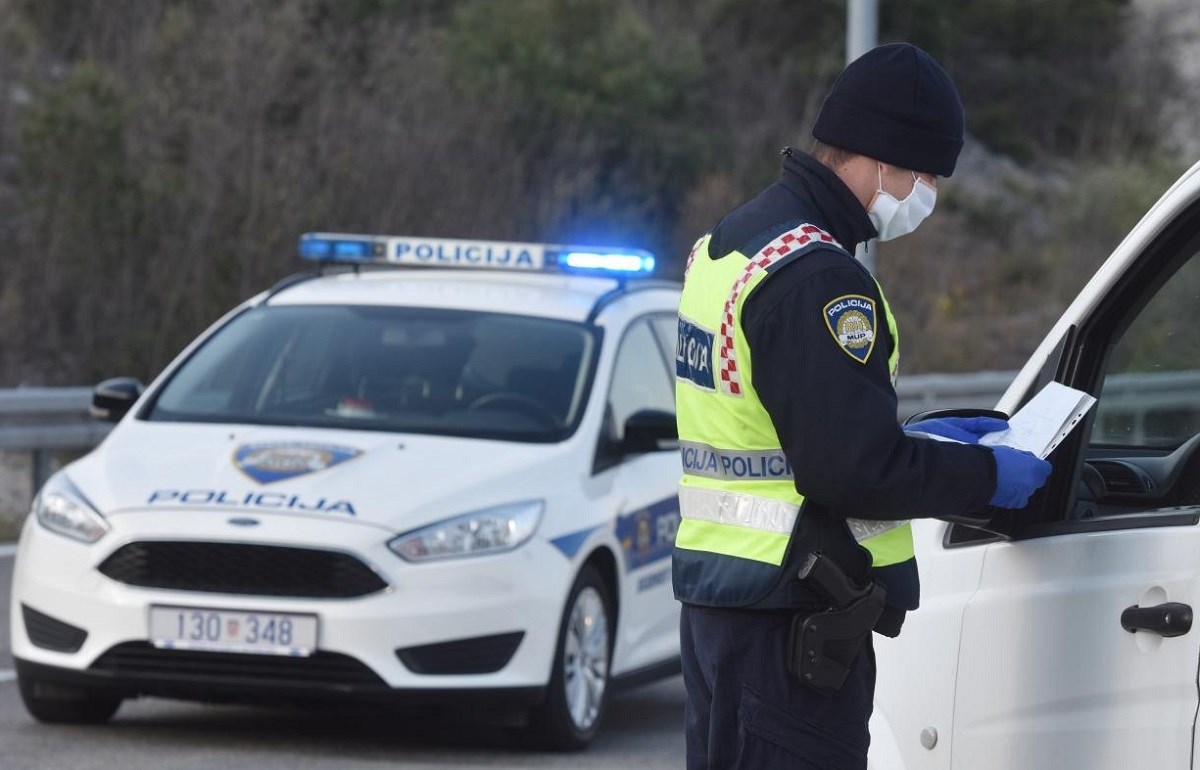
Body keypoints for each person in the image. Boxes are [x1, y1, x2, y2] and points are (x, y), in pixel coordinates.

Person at [672, 42, 1052, 769]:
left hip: (724, 608)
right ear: (883, 160)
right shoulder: (819, 278)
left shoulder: (730, 246)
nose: (925, 193)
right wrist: (984, 479)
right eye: (924, 174)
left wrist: (919, 439)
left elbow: (782, 426)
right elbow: (851, 471)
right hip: (790, 625)